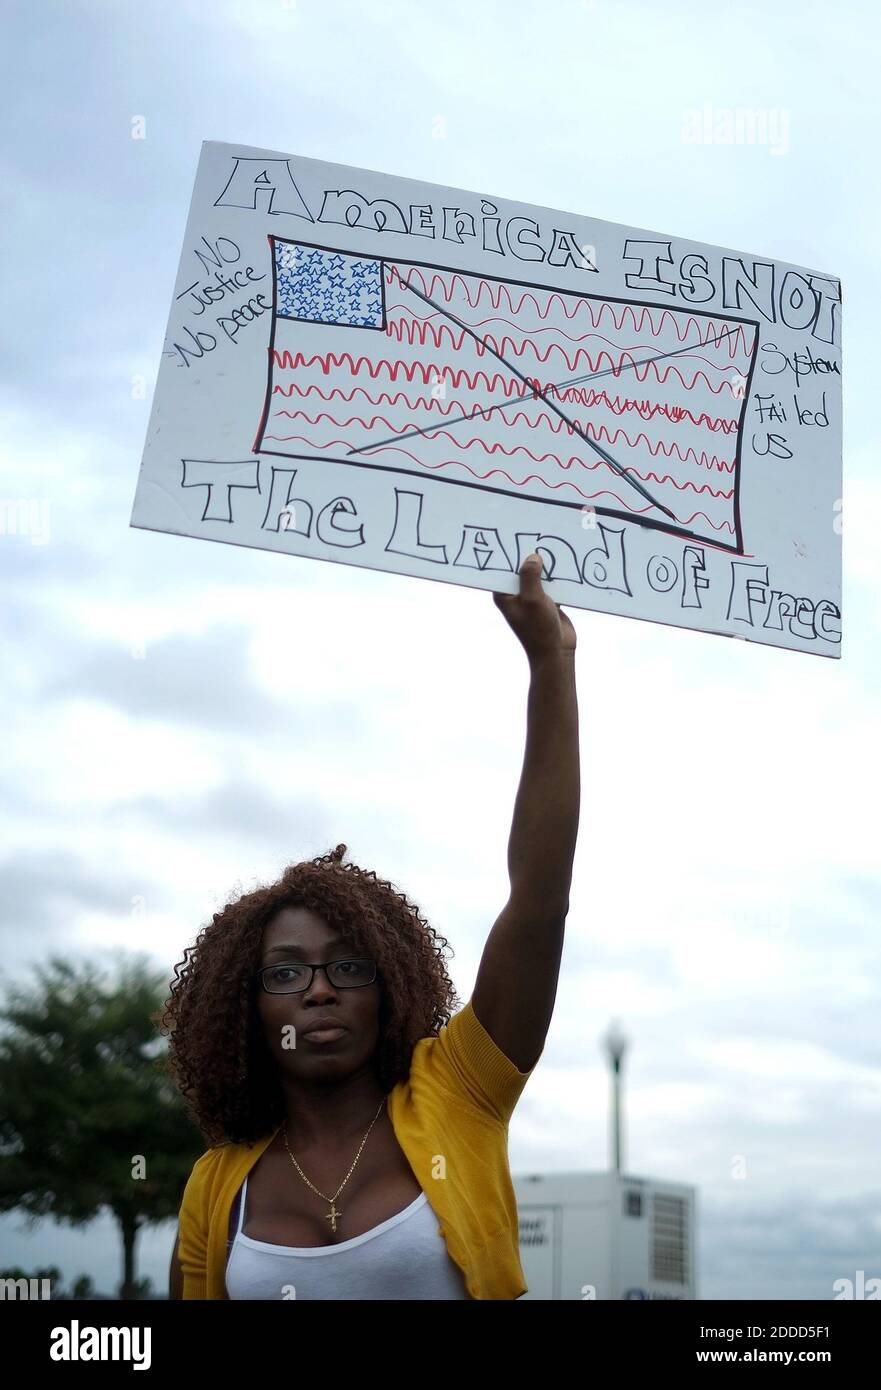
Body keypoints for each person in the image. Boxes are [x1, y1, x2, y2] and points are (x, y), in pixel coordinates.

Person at [164, 551, 579, 1300]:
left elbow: (538, 899)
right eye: (286, 972)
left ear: (387, 990)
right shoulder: (215, 1186)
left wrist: (550, 664)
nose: (318, 992)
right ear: (247, 1009)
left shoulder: (457, 1095)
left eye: (348, 967)